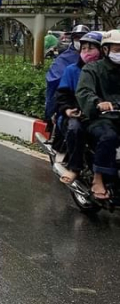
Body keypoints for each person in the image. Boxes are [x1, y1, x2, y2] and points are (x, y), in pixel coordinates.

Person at [76, 30, 120, 200]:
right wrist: (97, 102)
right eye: (117, 49)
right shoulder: (92, 69)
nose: (119, 53)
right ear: (106, 50)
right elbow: (84, 91)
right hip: (100, 119)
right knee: (108, 137)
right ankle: (98, 178)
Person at [54, 32, 102, 183]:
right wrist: (68, 110)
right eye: (84, 48)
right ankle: (75, 167)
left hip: (101, 115)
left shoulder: (107, 71)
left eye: (92, 48)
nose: (87, 52)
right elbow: (62, 95)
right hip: (77, 115)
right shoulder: (72, 70)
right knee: (76, 129)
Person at [46, 24, 90, 131]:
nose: (79, 41)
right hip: (72, 102)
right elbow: (56, 82)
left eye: (82, 38)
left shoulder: (99, 60)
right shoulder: (66, 62)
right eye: (77, 38)